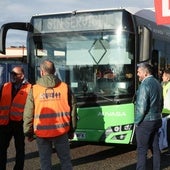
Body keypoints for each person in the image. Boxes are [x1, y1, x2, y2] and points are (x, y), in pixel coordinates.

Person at [23, 59, 77, 170]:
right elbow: (73, 110)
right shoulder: (65, 87)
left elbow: (28, 113)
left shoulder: (34, 89)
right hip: (61, 131)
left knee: (45, 163)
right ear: (54, 71)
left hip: (41, 133)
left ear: (42, 72)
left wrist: (28, 133)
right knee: (66, 161)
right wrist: (72, 130)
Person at [0, 66, 31, 170]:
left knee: (20, 150)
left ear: (22, 76)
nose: (12, 76)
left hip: (19, 124)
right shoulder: (4, 86)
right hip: (5, 123)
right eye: (11, 73)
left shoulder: (30, 88)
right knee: (1, 149)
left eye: (15, 74)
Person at [135, 63, 163, 170]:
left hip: (146, 121)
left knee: (142, 150)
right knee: (155, 148)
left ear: (145, 72)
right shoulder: (157, 83)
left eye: (139, 72)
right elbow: (161, 102)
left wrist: (137, 122)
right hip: (156, 119)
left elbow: (141, 108)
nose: (137, 74)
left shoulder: (144, 85)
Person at [161, 69, 170, 154]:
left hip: (167, 111)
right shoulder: (165, 85)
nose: (162, 77)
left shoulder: (168, 86)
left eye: (163, 76)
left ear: (167, 78)